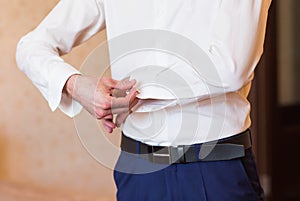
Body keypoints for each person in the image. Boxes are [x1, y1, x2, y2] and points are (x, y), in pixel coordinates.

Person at [16, 0, 272, 200]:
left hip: (214, 168)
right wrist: (76, 84)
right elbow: (30, 47)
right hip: (137, 170)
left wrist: (130, 95)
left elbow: (231, 68)